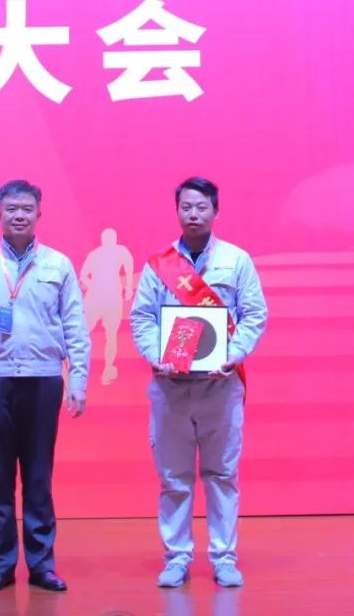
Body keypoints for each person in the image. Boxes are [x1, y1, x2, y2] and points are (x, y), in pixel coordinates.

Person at [0, 179, 91, 593]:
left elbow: (75, 326)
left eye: (27, 209)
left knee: (38, 476)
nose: (19, 215)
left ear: (38, 214)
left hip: (44, 378)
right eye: (11, 209)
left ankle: (42, 564)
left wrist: (78, 377)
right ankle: (0, 565)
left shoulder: (58, 264)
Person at [129, 176, 268, 588]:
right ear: (177, 211)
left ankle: (224, 557)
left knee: (221, 475)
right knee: (174, 479)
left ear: (215, 211)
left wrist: (233, 354)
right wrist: (156, 356)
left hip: (220, 387)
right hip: (170, 388)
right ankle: (177, 558)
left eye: (201, 207)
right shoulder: (160, 264)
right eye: (186, 207)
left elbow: (254, 314)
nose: (193, 214)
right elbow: (142, 318)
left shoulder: (236, 260)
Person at [79, 228, 135, 384]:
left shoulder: (111, 252)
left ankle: (106, 368)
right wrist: (128, 288)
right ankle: (88, 369)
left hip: (107, 297)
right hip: (103, 297)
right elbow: (83, 276)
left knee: (108, 334)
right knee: (94, 334)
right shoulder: (99, 254)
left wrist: (128, 288)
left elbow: (129, 267)